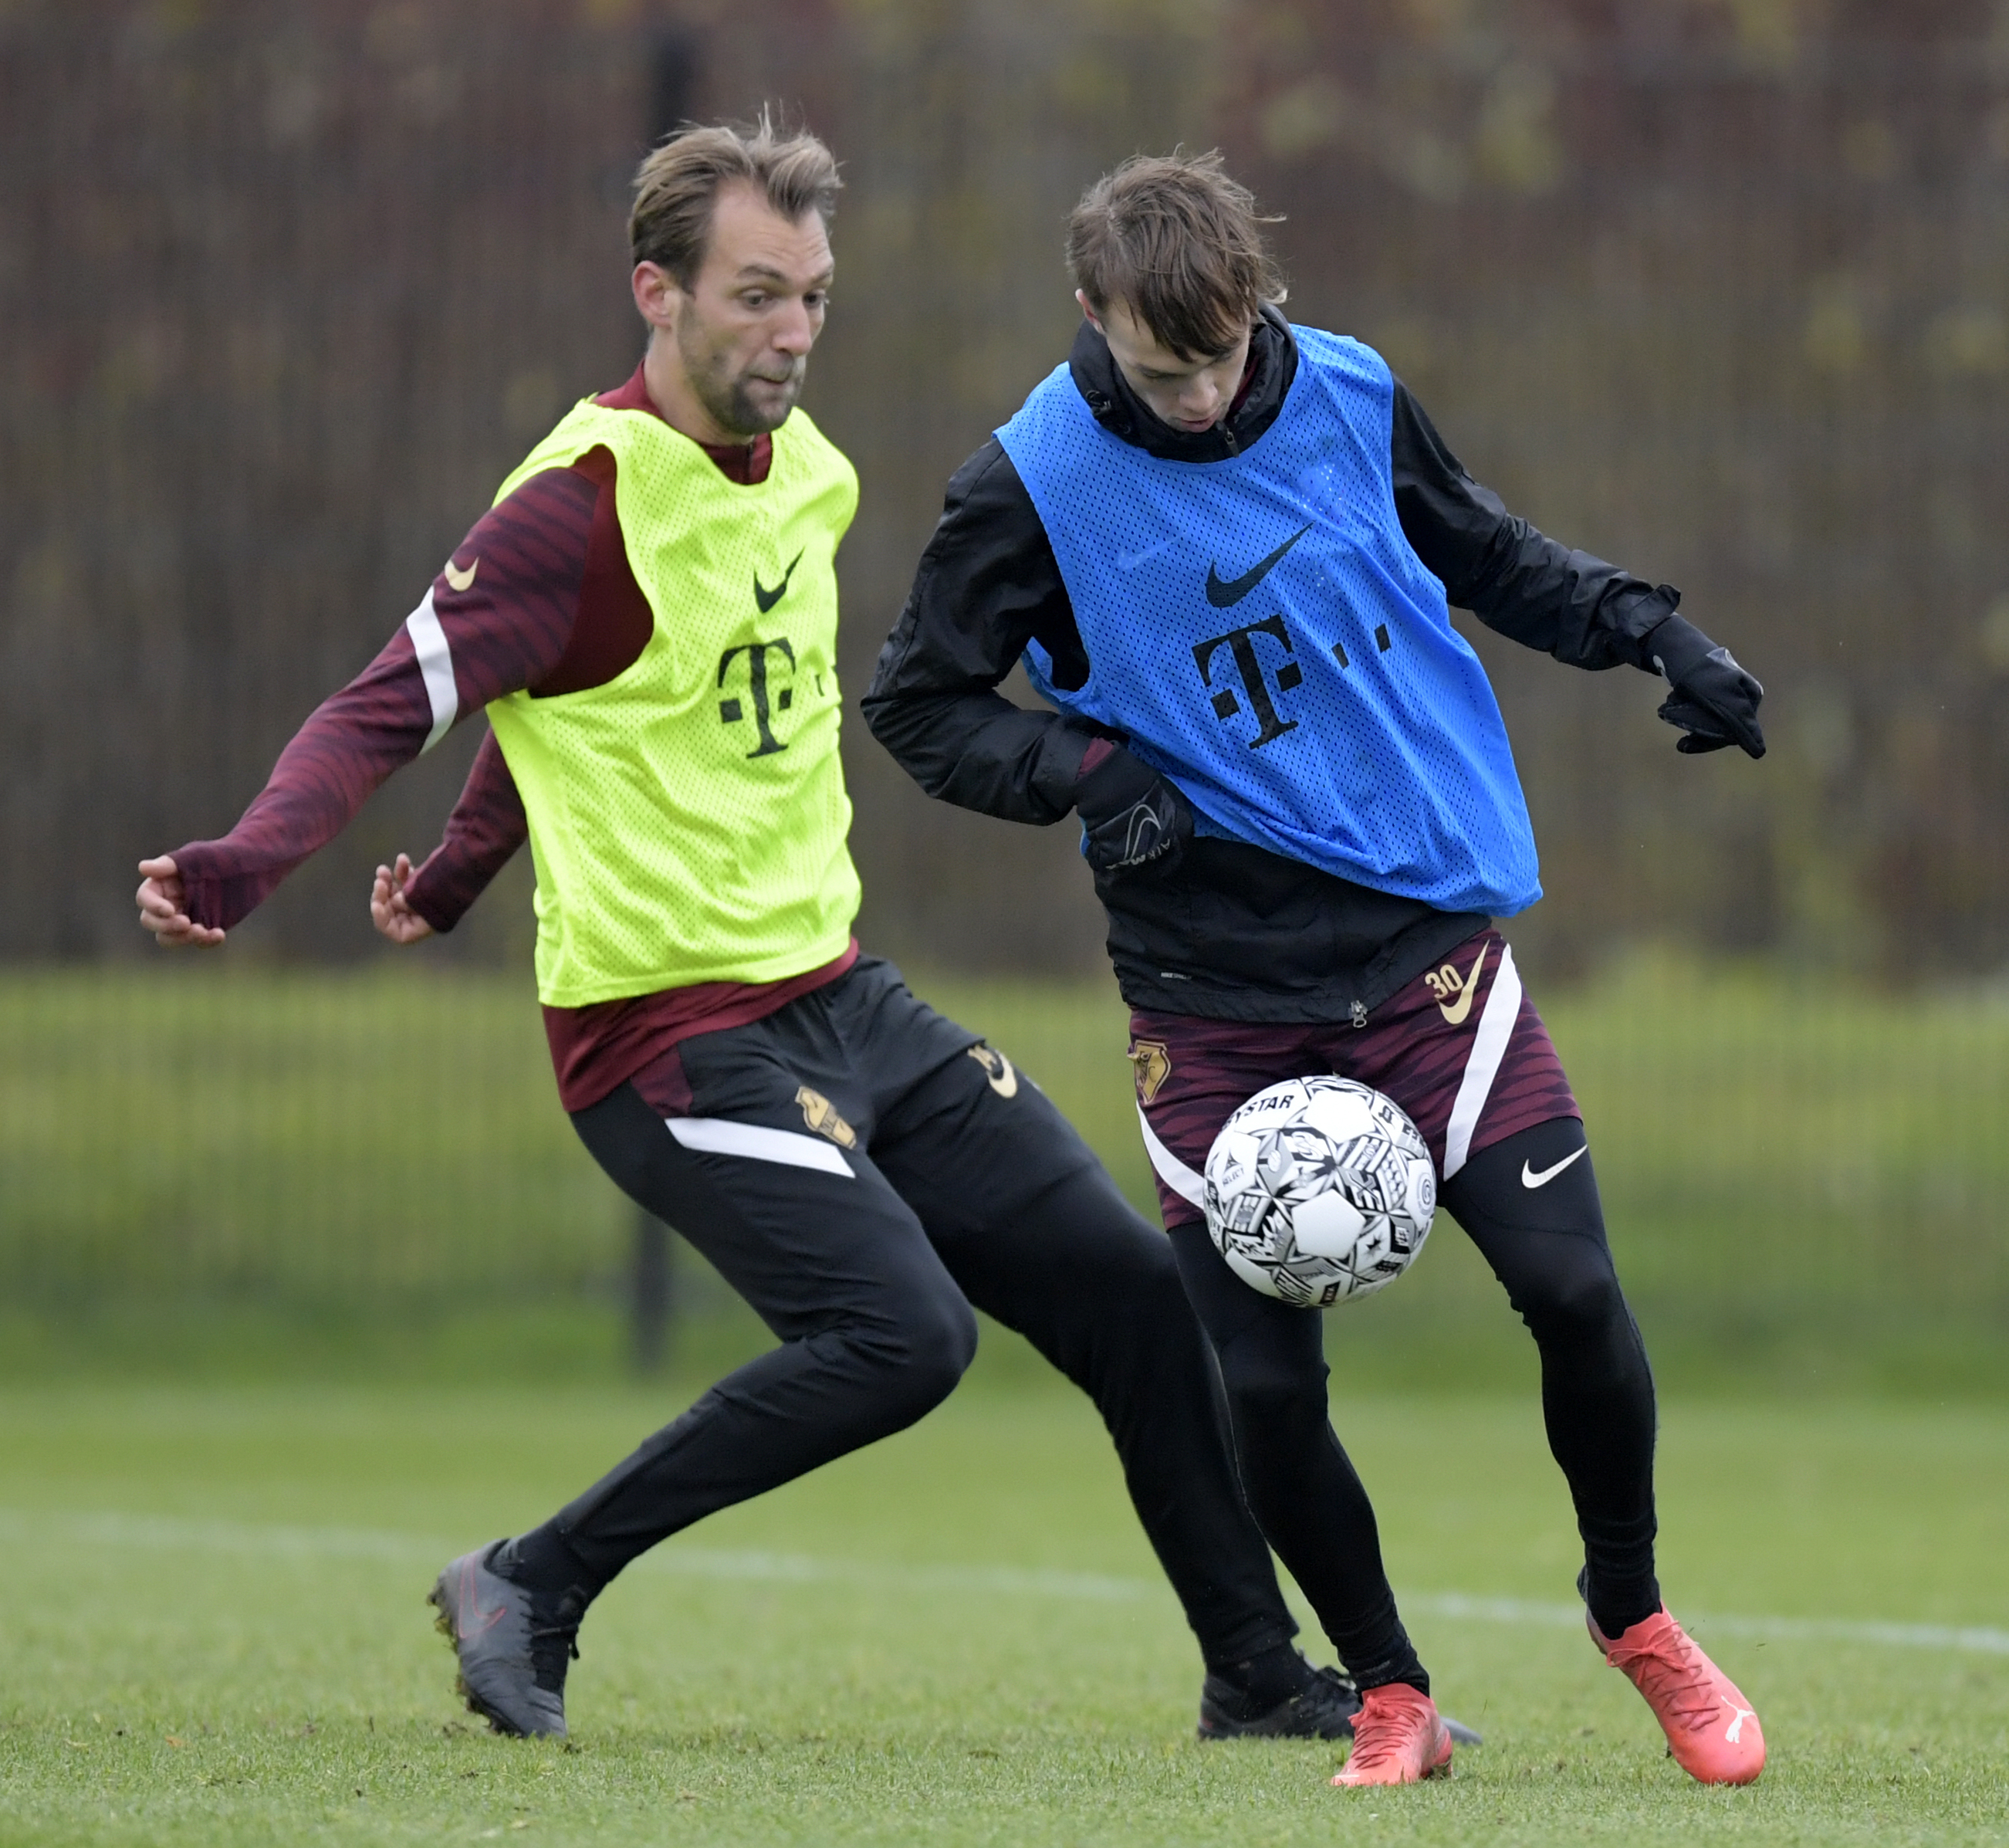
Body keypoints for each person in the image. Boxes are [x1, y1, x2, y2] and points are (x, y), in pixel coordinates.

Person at [133, 117, 1361, 1746]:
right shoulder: (570, 507)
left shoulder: (813, 477)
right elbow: (398, 700)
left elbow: (591, 705)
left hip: (845, 1000)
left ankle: (1257, 1677)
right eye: (755, 295)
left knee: (1132, 1297)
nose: (789, 332)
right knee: (899, 1337)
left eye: (814, 298)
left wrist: (454, 875)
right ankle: (531, 1579)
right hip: (664, 1038)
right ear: (657, 291)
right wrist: (246, 859)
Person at [864, 151, 1773, 1788]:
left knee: (1573, 1292)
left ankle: (1632, 1616)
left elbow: (1487, 554)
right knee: (1262, 1384)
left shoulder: (1345, 392)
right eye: (1163, 369)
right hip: (1210, 998)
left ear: (1256, 300)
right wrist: (1086, 778)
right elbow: (918, 704)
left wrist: (1653, 632)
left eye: (1223, 354)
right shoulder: (1029, 483)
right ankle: (1386, 1691)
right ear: (1088, 315)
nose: (1205, 399)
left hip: (1424, 953)